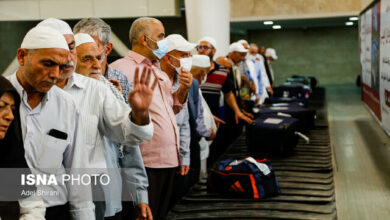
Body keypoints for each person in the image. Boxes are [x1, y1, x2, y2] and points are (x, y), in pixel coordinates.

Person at [36, 18, 155, 220]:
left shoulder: (101, 90)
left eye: (98, 58)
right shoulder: (24, 92)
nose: (96, 65)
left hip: (98, 191)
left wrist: (140, 113)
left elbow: (128, 142)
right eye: (87, 59)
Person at [7, 26, 94, 220]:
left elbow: (77, 168)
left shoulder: (67, 105)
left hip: (56, 211)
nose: (55, 74)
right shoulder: (2, 97)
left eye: (61, 67)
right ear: (22, 57)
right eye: (48, 64)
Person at [110, 17, 192, 220]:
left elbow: (172, 109)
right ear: (145, 40)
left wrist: (183, 90)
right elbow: (118, 118)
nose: (165, 41)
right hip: (145, 161)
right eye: (161, 36)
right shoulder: (120, 68)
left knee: (161, 213)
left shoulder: (158, 70)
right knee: (143, 215)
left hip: (168, 159)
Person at [0, 76, 46, 220]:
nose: (10, 116)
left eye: (13, 109)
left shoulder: (9, 154)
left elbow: (34, 208)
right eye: (1, 106)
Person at [73, 18, 132, 103]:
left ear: (107, 49)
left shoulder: (121, 80)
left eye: (93, 44)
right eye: (80, 43)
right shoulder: (66, 80)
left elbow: (129, 115)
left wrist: (117, 102)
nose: (87, 49)